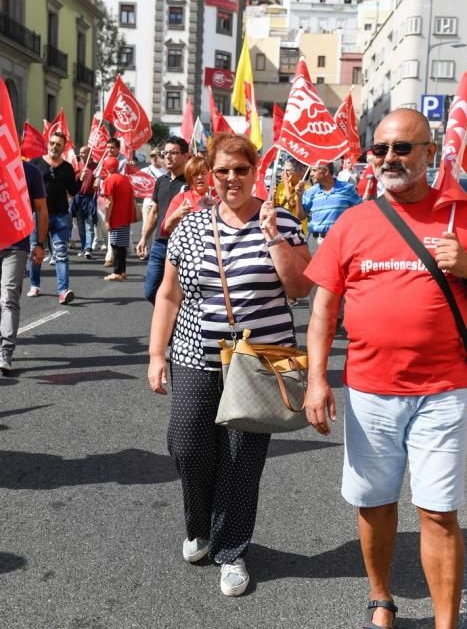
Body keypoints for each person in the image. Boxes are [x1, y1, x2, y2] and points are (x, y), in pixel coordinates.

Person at [303, 108, 467, 629]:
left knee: (439, 511)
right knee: (374, 503)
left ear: (430, 154)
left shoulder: (459, 215)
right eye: (380, 149)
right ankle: (381, 598)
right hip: (371, 389)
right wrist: (315, 380)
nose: (389, 158)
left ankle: (446, 622)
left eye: (402, 148)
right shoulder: (353, 221)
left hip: (446, 388)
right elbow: (323, 309)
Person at [147, 133, 312, 597]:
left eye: (241, 169)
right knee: (188, 447)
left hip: (258, 361)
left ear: (254, 170)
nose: (232, 179)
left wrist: (273, 236)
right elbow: (168, 295)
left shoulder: (281, 221)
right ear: (209, 175)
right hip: (194, 356)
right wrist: (156, 354)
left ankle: (230, 549)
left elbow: (300, 288)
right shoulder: (190, 227)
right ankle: (199, 526)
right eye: (223, 171)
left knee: (241, 460)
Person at [0, 163, 48, 374]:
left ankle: (5, 351)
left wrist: (39, 243)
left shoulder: (29, 172)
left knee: (8, 297)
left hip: (15, 247)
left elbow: (41, 208)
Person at [27, 131, 81, 304]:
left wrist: (82, 180)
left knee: (61, 254)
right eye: (52, 143)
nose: (54, 146)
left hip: (60, 216)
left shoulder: (67, 168)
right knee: (35, 252)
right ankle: (34, 284)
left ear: (63, 147)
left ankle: (63, 291)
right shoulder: (35, 164)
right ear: (47, 144)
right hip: (37, 216)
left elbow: (73, 191)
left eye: (58, 144)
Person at [136, 136, 189, 304]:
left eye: (173, 153)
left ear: (185, 156)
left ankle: (173, 326)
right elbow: (154, 212)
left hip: (183, 246)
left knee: (180, 292)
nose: (168, 156)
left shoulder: (191, 182)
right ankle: (170, 321)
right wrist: (144, 238)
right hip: (160, 244)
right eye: (165, 153)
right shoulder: (161, 181)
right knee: (150, 291)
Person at [299, 161, 362, 255]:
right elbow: (301, 216)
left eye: (314, 170)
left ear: (326, 171)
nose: (311, 174)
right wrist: (298, 196)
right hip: (315, 242)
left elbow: (360, 212)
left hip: (339, 241)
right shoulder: (310, 192)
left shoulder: (347, 188)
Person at [161, 154, 215, 236]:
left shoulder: (219, 198)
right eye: (195, 174)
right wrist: (177, 214)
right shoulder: (181, 198)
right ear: (189, 177)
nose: (200, 177)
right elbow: (166, 228)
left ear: (209, 174)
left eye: (203, 173)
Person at [101, 157, 135, 281]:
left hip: (116, 217)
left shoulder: (109, 180)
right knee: (121, 245)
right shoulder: (125, 179)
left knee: (115, 245)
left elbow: (108, 202)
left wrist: (107, 219)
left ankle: (117, 272)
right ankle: (123, 271)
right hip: (126, 216)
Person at [138, 149, 167, 259]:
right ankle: (145, 251)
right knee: (146, 226)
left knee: (162, 228)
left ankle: (161, 251)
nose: (154, 158)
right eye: (152, 155)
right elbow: (134, 178)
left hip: (163, 203)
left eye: (157, 155)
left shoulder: (166, 170)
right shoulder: (145, 170)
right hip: (149, 202)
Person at [72, 145, 98, 259]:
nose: (81, 155)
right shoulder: (77, 166)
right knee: (80, 226)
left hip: (90, 198)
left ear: (89, 153)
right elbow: (72, 182)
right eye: (80, 153)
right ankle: (83, 247)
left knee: (89, 225)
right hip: (78, 198)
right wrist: (79, 176)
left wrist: (97, 180)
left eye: (84, 153)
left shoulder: (96, 167)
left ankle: (88, 248)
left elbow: (100, 179)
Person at [274, 157, 309, 233]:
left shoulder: (306, 188)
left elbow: (292, 204)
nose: (284, 174)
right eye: (284, 170)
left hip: (297, 228)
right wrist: (273, 196)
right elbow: (277, 206)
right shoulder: (281, 185)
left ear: (298, 173)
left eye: (288, 171)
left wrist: (286, 184)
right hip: (281, 225)